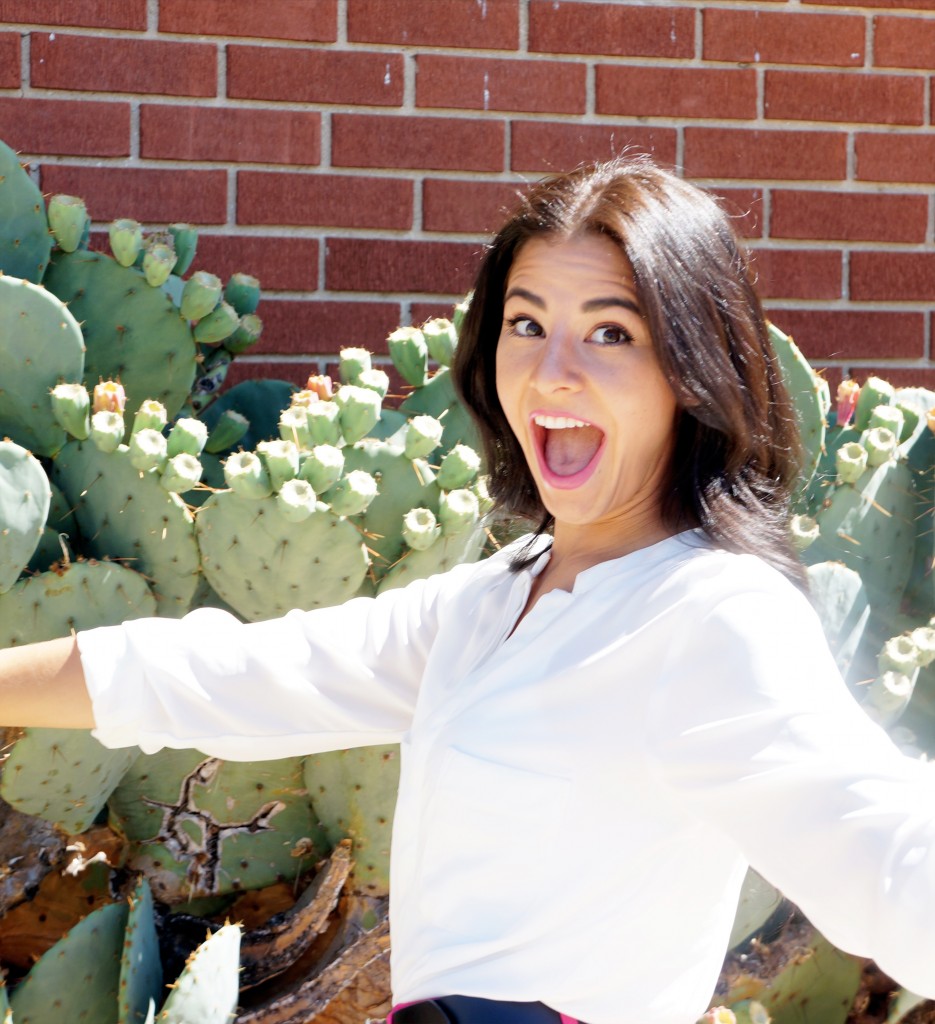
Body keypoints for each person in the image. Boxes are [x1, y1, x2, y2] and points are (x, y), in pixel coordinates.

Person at [3, 156, 935, 1024]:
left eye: (611, 332)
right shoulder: (494, 598)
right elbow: (224, 673)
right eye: (526, 323)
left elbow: (873, 838)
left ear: (691, 372)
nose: (551, 370)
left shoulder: (710, 613)